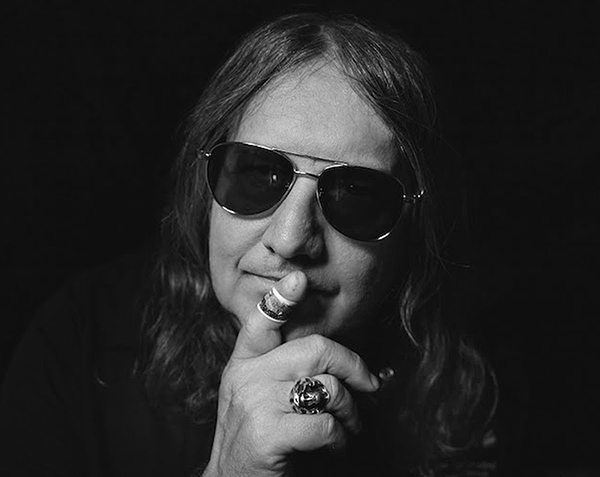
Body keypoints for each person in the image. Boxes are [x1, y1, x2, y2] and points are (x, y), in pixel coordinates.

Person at [0, 12, 497, 477]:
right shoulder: (79, 340)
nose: (289, 240)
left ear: (414, 228)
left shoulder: (483, 393)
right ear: (206, 187)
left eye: (354, 195)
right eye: (260, 174)